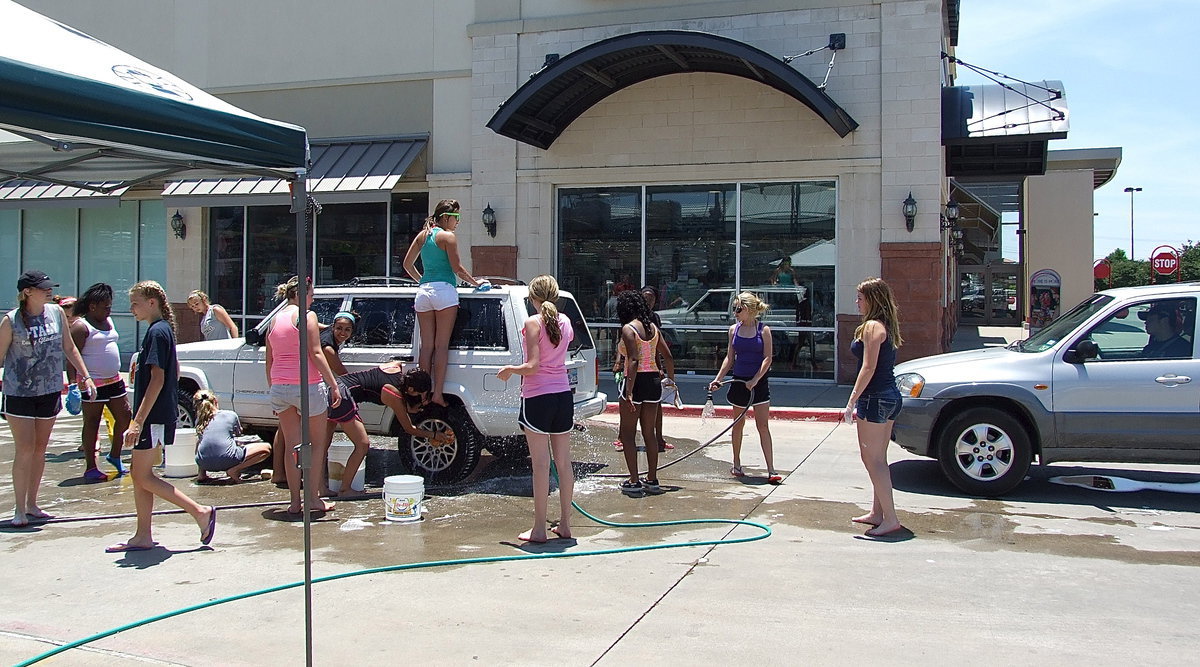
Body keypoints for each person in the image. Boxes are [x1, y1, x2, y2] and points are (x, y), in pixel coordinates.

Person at [107, 280, 215, 552]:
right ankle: (142, 535)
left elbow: (159, 378)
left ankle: (200, 512)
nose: (131, 309)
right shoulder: (162, 331)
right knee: (140, 473)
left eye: (135, 303)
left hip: (152, 417)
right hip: (158, 413)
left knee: (142, 476)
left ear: (151, 302)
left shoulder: (157, 332)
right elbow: (173, 372)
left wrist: (137, 420)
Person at [1, 270, 97, 527]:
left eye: (49, 287)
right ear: (27, 292)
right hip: (19, 392)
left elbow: (69, 347)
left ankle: (33, 504)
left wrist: (85, 377)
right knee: (25, 449)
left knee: (40, 449)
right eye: (43, 288)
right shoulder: (10, 321)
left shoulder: (55, 313)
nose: (49, 291)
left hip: (49, 389)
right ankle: (19, 509)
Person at [498, 275, 576, 542]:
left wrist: (510, 370)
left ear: (532, 299)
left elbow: (532, 366)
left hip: (538, 397)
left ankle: (540, 529)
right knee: (563, 464)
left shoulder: (532, 322)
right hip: (563, 395)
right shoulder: (565, 322)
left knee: (541, 466)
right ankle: (565, 525)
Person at [266, 276, 342, 514]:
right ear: (301, 294)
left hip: (279, 386)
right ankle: (312, 499)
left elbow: (269, 360)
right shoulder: (306, 316)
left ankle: (294, 502)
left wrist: (273, 388)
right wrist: (334, 385)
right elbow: (316, 353)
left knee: (292, 445)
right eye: (311, 294)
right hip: (307, 385)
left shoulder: (273, 320)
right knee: (316, 444)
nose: (313, 298)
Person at [402, 199, 487, 407]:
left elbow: (407, 264)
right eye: (456, 217)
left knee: (426, 347)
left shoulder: (423, 236)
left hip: (424, 292)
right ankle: (437, 394)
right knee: (441, 346)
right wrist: (476, 282)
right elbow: (457, 268)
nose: (458, 222)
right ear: (446, 217)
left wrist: (422, 281)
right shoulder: (448, 237)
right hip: (445, 292)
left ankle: (422, 395)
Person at [325, 362, 447, 495]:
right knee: (362, 445)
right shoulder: (393, 394)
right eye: (421, 394)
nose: (422, 397)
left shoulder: (395, 368)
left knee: (322, 445)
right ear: (411, 390)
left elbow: (399, 363)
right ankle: (345, 489)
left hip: (333, 388)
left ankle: (320, 488)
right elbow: (409, 429)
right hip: (343, 396)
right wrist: (433, 435)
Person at [843, 277, 905, 538]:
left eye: (860, 298)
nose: (857, 302)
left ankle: (890, 518)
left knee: (872, 459)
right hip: (890, 396)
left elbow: (868, 367)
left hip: (875, 397)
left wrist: (851, 400)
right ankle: (878, 513)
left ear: (872, 299)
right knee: (879, 458)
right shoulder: (886, 326)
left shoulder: (870, 327)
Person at [709, 292, 781, 484]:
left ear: (748, 310)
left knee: (762, 425)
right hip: (739, 380)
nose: (735, 312)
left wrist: (756, 379)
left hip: (758, 382)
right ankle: (737, 463)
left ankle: (771, 469)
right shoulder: (734, 330)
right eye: (734, 308)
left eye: (738, 309)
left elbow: (768, 358)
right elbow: (729, 357)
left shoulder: (763, 330)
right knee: (737, 423)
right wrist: (718, 379)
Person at [68, 283, 133, 480]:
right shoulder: (81, 326)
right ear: (92, 306)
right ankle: (90, 467)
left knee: (125, 416)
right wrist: (73, 385)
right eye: (105, 306)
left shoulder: (109, 321)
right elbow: (71, 356)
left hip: (114, 380)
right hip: (92, 383)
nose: (109, 310)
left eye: (109, 306)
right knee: (92, 423)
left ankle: (114, 455)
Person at [615, 289, 675, 496]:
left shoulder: (628, 329)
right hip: (653, 382)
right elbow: (668, 356)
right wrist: (671, 381)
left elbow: (632, 359)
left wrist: (629, 391)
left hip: (636, 381)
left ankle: (633, 482)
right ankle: (652, 479)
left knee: (628, 435)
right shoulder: (653, 329)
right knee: (650, 433)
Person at [192, 390, 272, 483]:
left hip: (204, 462)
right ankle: (235, 469)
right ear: (215, 401)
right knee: (267, 448)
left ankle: (201, 474)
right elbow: (238, 434)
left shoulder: (199, 421)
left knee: (200, 442)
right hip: (227, 459)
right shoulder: (230, 414)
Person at [320, 312, 356, 376]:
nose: (342, 333)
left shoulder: (327, 329)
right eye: (339, 328)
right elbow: (343, 374)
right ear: (333, 327)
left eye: (347, 330)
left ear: (352, 331)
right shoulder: (328, 349)